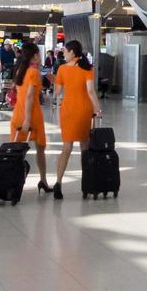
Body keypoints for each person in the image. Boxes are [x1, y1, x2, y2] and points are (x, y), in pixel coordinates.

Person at [53, 40, 99, 200]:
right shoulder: (88, 69)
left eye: (65, 51)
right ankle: (87, 184)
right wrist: (97, 109)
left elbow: (57, 92)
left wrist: (54, 80)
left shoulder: (62, 69)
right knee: (85, 148)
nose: (63, 53)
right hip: (83, 110)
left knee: (66, 148)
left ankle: (58, 183)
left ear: (72, 52)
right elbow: (91, 91)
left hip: (67, 111)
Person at [10, 42, 49, 192]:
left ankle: (10, 181)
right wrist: (27, 119)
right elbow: (30, 97)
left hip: (17, 114)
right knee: (40, 149)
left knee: (15, 151)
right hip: (32, 115)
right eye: (38, 54)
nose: (40, 57)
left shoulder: (20, 70)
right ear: (34, 56)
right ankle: (43, 180)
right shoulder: (33, 72)